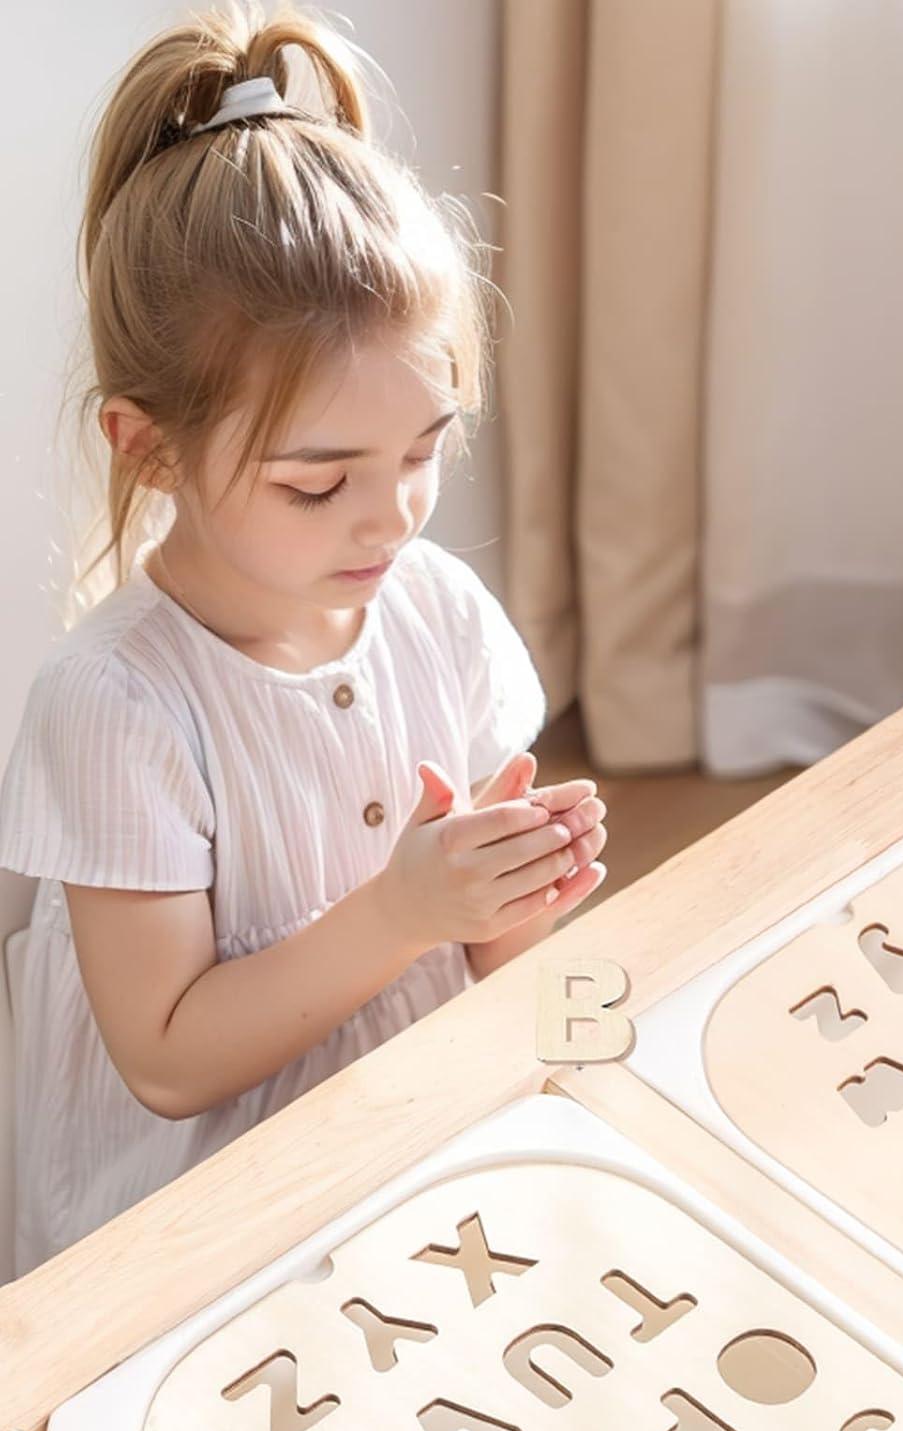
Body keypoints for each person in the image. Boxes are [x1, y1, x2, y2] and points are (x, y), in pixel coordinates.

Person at [0, 1, 608, 1277]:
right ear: (147, 444)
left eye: (426, 449)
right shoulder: (115, 702)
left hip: (407, 1152)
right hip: (187, 1227)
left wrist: (514, 892)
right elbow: (166, 1059)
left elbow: (494, 966)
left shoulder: (435, 610)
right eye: (317, 484)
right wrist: (404, 907)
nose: (389, 515)